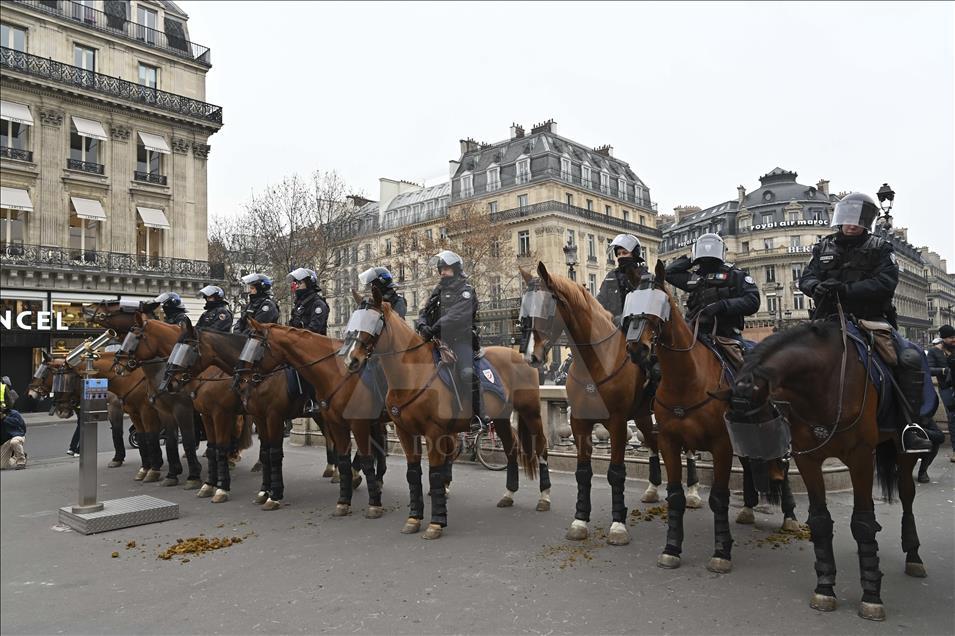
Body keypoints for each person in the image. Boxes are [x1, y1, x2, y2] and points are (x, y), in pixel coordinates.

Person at [798, 191, 933, 452]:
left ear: (866, 222)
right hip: (828, 319)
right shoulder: (823, 247)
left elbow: (886, 282)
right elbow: (805, 279)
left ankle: (911, 426)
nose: (851, 223)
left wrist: (847, 290)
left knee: (910, 358)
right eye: (847, 218)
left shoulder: (881, 247)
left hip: (870, 319)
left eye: (857, 219)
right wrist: (818, 287)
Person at [416, 250, 487, 433]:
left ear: (455, 269)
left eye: (445, 269)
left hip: (460, 341)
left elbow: (457, 315)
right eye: (440, 269)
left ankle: (477, 415)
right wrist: (422, 325)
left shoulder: (466, 291)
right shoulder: (438, 290)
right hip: (437, 340)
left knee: (466, 373)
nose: (442, 272)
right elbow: (424, 310)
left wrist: (436, 326)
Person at [665, 233, 760, 345]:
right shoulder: (695, 278)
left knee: (747, 358)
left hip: (726, 333)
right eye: (703, 250)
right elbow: (668, 273)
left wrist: (723, 305)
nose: (707, 254)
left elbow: (753, 301)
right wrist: (691, 260)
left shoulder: (734, 275)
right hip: (694, 331)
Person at [597, 233, 648, 323]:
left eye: (624, 253)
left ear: (634, 254)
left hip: (637, 324)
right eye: (618, 254)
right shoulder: (611, 276)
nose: (621, 256)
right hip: (612, 325)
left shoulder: (644, 275)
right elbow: (600, 300)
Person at [927, 325, 955, 464]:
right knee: (953, 418)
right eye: (950, 338)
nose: (953, 340)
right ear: (943, 339)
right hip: (947, 388)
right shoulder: (934, 352)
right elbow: (929, 369)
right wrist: (944, 370)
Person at [286, 268, 329, 335]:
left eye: (300, 283)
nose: (296, 286)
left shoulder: (318, 303)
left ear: (309, 283)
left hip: (314, 344)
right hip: (296, 343)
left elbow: (314, 330)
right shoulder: (299, 304)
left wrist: (295, 337)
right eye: (296, 283)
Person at [1, 379, 26, 470]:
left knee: (14, 442)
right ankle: (15, 457)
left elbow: (21, 427)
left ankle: (21, 461)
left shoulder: (13, 413)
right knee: (2, 466)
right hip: (5, 441)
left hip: (16, 437)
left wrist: (4, 418)